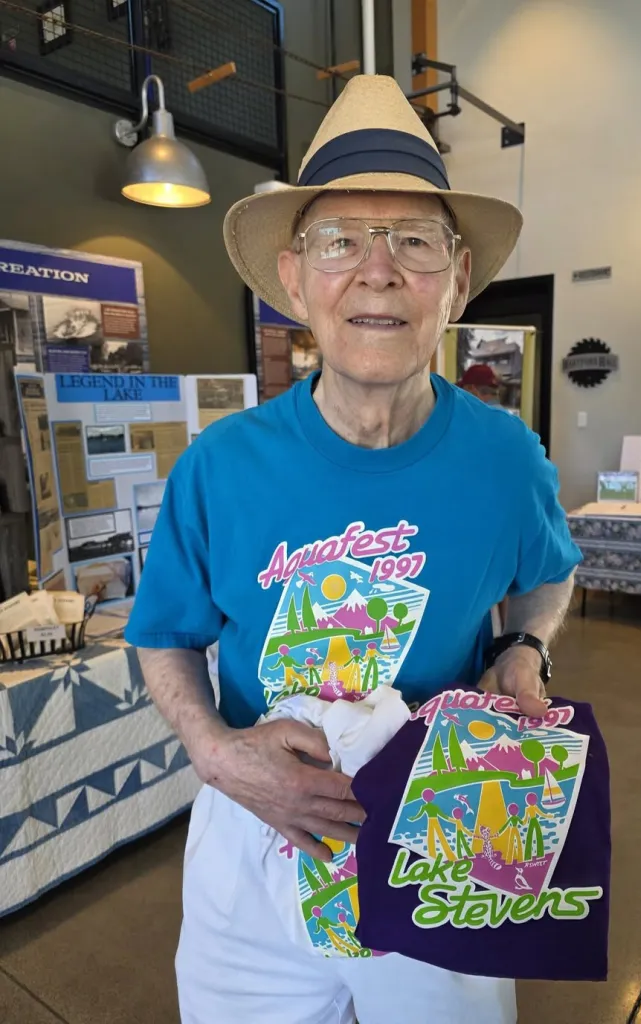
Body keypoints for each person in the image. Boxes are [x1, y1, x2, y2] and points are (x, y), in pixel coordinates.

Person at [125, 74, 581, 1024]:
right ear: (295, 280)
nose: (377, 272)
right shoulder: (220, 465)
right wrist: (213, 752)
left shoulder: (505, 458)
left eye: (413, 241)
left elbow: (549, 574)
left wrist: (524, 645)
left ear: (455, 279)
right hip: (255, 828)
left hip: (441, 825)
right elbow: (162, 632)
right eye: (340, 241)